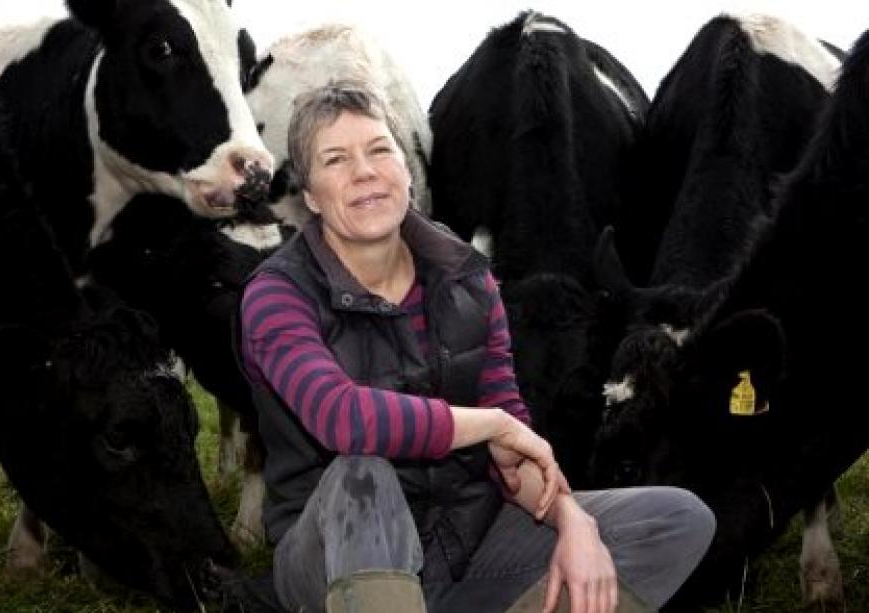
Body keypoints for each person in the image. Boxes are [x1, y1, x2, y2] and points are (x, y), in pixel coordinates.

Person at [238, 79, 715, 613]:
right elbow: (341, 419)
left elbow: (513, 445)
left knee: (678, 520)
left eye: (378, 150)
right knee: (362, 475)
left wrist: (571, 520)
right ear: (308, 195)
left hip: (465, 542)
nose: (364, 171)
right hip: (333, 553)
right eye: (335, 160)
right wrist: (490, 425)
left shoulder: (466, 278)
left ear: (406, 169)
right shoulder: (277, 294)